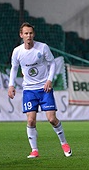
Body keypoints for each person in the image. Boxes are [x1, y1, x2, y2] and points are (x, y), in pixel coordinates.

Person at [8, 22, 72, 158]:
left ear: (33, 34)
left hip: (44, 88)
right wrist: (11, 85)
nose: (28, 36)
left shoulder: (42, 47)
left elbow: (52, 63)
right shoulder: (17, 51)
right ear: (21, 35)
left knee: (52, 119)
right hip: (29, 90)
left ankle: (64, 143)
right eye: (26, 33)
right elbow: (14, 68)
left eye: (30, 33)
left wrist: (50, 79)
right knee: (31, 120)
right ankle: (34, 150)